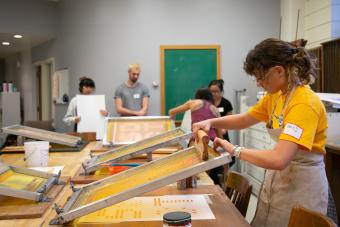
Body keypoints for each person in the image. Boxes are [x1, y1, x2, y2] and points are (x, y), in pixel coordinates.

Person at [193, 38, 332, 227]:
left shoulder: (304, 104)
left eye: (261, 77)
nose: (258, 84)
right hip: (280, 180)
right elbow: (245, 119)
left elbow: (279, 159)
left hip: (302, 186)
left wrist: (235, 150)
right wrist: (210, 121)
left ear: (279, 71)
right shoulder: (276, 95)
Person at [208, 79, 235, 166]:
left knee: (227, 160)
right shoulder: (206, 103)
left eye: (216, 91)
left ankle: (224, 177)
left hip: (222, 135)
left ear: (221, 91)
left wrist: (224, 129)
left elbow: (229, 120)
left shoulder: (226, 103)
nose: (213, 94)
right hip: (210, 136)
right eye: (211, 91)